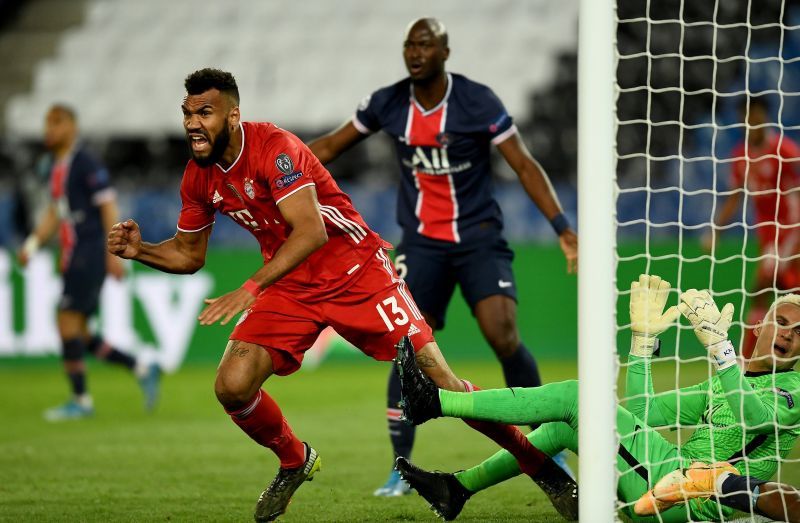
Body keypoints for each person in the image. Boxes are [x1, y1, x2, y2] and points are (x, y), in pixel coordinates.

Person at [106, 68, 578, 523]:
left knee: (443, 386)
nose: (192, 123)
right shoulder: (198, 175)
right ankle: (295, 460)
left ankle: (545, 472)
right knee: (231, 386)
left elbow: (310, 232)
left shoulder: (276, 149)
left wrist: (251, 287)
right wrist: (141, 250)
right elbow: (188, 254)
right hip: (291, 286)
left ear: (232, 115)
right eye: (187, 113)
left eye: (204, 112)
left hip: (356, 272)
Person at [308, 17, 579, 496]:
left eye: (425, 44)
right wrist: (277, 173)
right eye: (409, 44)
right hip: (422, 244)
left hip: (478, 237)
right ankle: (400, 465)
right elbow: (328, 145)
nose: (415, 52)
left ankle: (548, 445)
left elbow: (523, 163)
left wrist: (563, 229)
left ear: (445, 53)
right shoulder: (387, 102)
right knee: (407, 345)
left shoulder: (477, 101)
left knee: (504, 334)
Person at [394, 274, 800, 522]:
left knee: (577, 397)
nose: (787, 334)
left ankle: (435, 402)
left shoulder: (793, 389)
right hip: (664, 476)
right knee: (560, 427)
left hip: (692, 504)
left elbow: (756, 416)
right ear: (759, 325)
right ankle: (458, 489)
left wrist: (721, 351)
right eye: (781, 322)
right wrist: (643, 344)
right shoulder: (721, 383)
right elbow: (642, 413)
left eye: (799, 332)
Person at [16, 104, 160, 421]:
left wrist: (115, 253)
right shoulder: (58, 166)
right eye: (46, 123)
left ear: (71, 126)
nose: (48, 130)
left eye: (55, 123)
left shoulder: (85, 162)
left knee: (67, 321)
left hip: (91, 249)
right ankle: (141, 367)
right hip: (75, 253)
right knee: (78, 331)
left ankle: (80, 400)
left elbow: (107, 206)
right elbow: (56, 213)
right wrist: (33, 243)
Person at [705, 95, 800, 359]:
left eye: (754, 116)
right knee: (782, 296)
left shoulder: (785, 150)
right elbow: (736, 196)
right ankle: (752, 357)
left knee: (760, 291)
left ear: (765, 117)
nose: (750, 122)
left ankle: (747, 358)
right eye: (745, 117)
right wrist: (716, 230)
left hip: (790, 232)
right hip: (768, 235)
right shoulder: (741, 156)